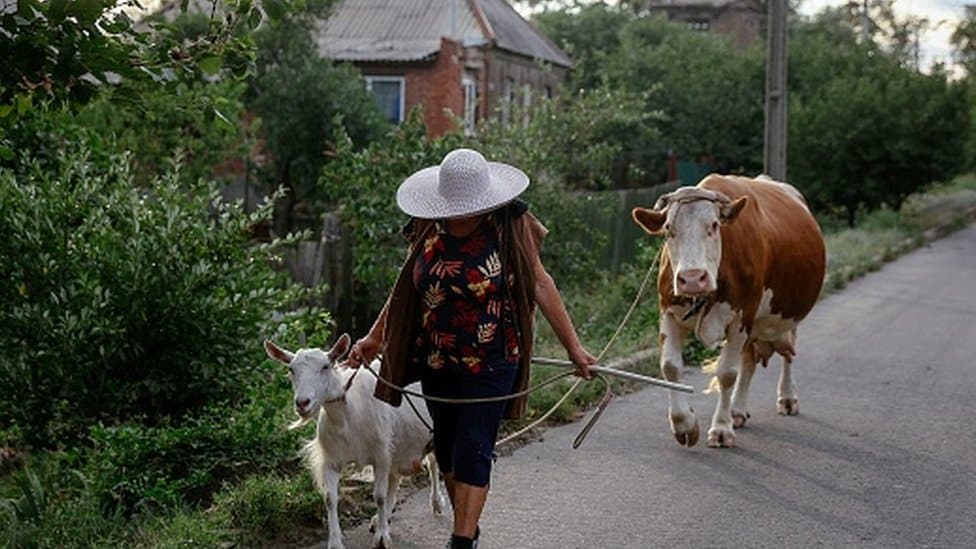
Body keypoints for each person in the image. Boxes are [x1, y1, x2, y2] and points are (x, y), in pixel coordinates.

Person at [346, 148, 596, 549]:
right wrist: (375, 337)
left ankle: (462, 541)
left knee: (474, 448)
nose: (459, 213)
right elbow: (405, 290)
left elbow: (540, 283)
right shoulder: (429, 225)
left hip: (492, 362)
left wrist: (574, 348)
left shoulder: (509, 224)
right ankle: (469, 527)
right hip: (436, 361)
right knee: (445, 450)